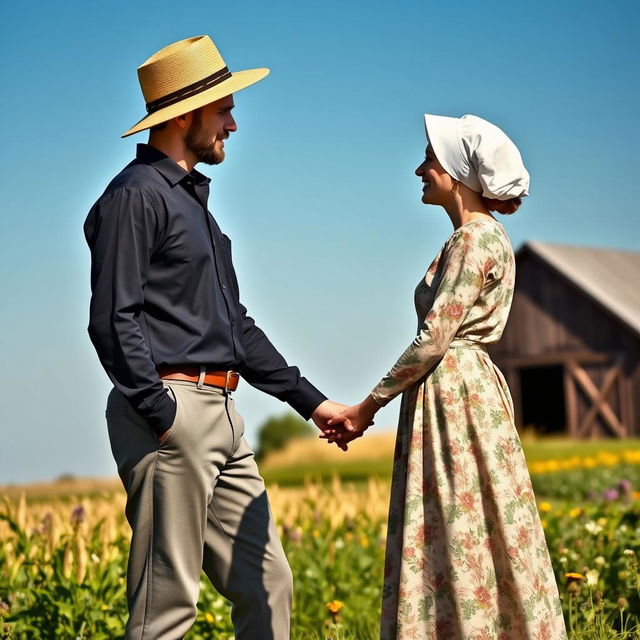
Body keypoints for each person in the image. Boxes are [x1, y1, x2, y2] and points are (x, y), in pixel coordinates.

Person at [84, 35, 345, 640]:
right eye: (223, 106)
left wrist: (313, 402)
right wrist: (161, 413)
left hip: (224, 415)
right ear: (183, 115)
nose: (233, 119)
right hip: (171, 416)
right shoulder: (133, 198)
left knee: (268, 583)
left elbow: (235, 328)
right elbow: (111, 319)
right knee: (165, 608)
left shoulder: (196, 208)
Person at [325, 115, 567, 639]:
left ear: (457, 172)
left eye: (430, 160)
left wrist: (366, 407)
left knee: (457, 518)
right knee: (475, 518)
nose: (420, 169)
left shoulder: (471, 241)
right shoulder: (488, 238)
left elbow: (433, 340)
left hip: (453, 392)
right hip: (469, 389)